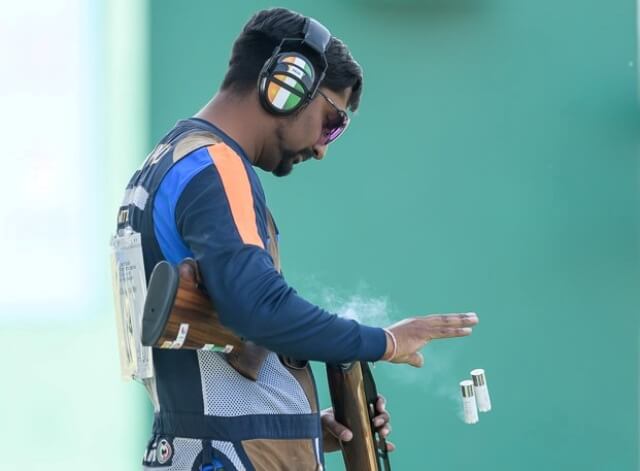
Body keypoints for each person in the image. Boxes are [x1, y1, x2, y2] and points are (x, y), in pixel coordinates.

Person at [115, 7, 479, 470]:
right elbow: (257, 306)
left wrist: (300, 425)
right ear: (287, 84)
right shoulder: (215, 165)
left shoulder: (174, 159)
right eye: (331, 120)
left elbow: (223, 340)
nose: (324, 147)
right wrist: (385, 341)